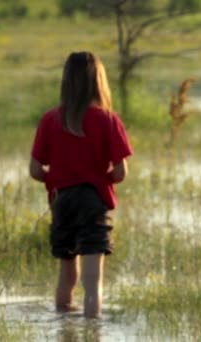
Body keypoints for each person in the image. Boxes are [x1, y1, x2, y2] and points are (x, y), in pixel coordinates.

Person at [29, 51, 133, 318]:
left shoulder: (50, 119)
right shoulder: (109, 120)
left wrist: (57, 178)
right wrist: (99, 179)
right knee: (93, 282)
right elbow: (120, 173)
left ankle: (64, 324)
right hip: (93, 200)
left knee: (66, 274)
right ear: (99, 81)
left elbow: (35, 170)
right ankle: (91, 330)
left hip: (61, 200)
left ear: (66, 81)